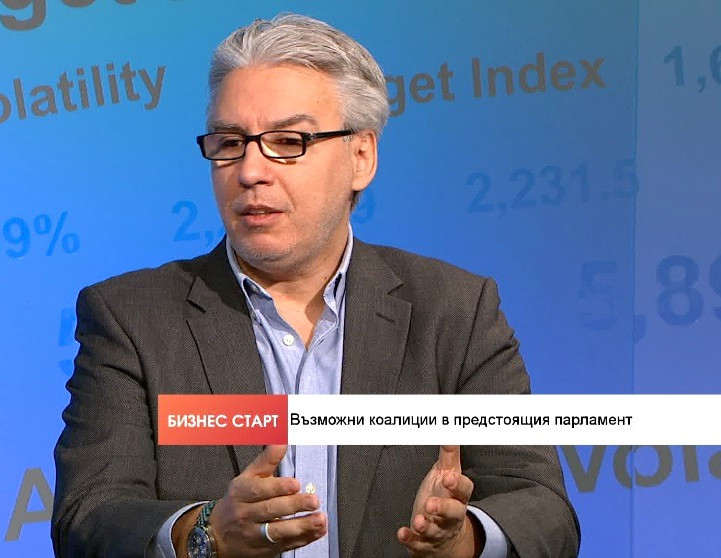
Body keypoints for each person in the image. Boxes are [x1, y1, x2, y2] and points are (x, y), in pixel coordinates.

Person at [52, 13, 579, 558]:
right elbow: (88, 519)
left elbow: (543, 509)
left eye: (288, 141)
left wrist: (463, 541)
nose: (250, 171)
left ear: (361, 157)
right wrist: (206, 533)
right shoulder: (131, 318)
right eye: (230, 142)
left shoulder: (454, 311)